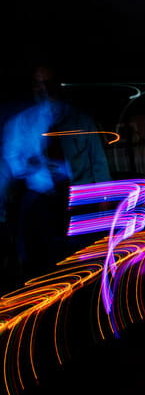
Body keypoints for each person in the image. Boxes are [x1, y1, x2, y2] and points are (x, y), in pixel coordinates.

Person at [2, 63, 112, 278]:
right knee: (45, 262)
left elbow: (98, 164)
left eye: (48, 83)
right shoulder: (23, 122)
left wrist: (104, 202)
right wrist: (28, 165)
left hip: (79, 200)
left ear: (58, 85)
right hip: (42, 201)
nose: (43, 89)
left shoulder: (81, 120)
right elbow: (11, 159)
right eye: (38, 84)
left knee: (83, 258)